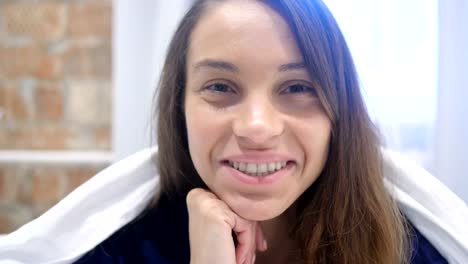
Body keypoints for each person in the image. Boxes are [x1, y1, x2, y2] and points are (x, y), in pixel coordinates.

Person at [1, 0, 467, 263]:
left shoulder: (411, 252)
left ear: (338, 112)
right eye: (221, 86)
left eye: (298, 87)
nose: (257, 127)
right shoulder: (118, 254)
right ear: (179, 106)